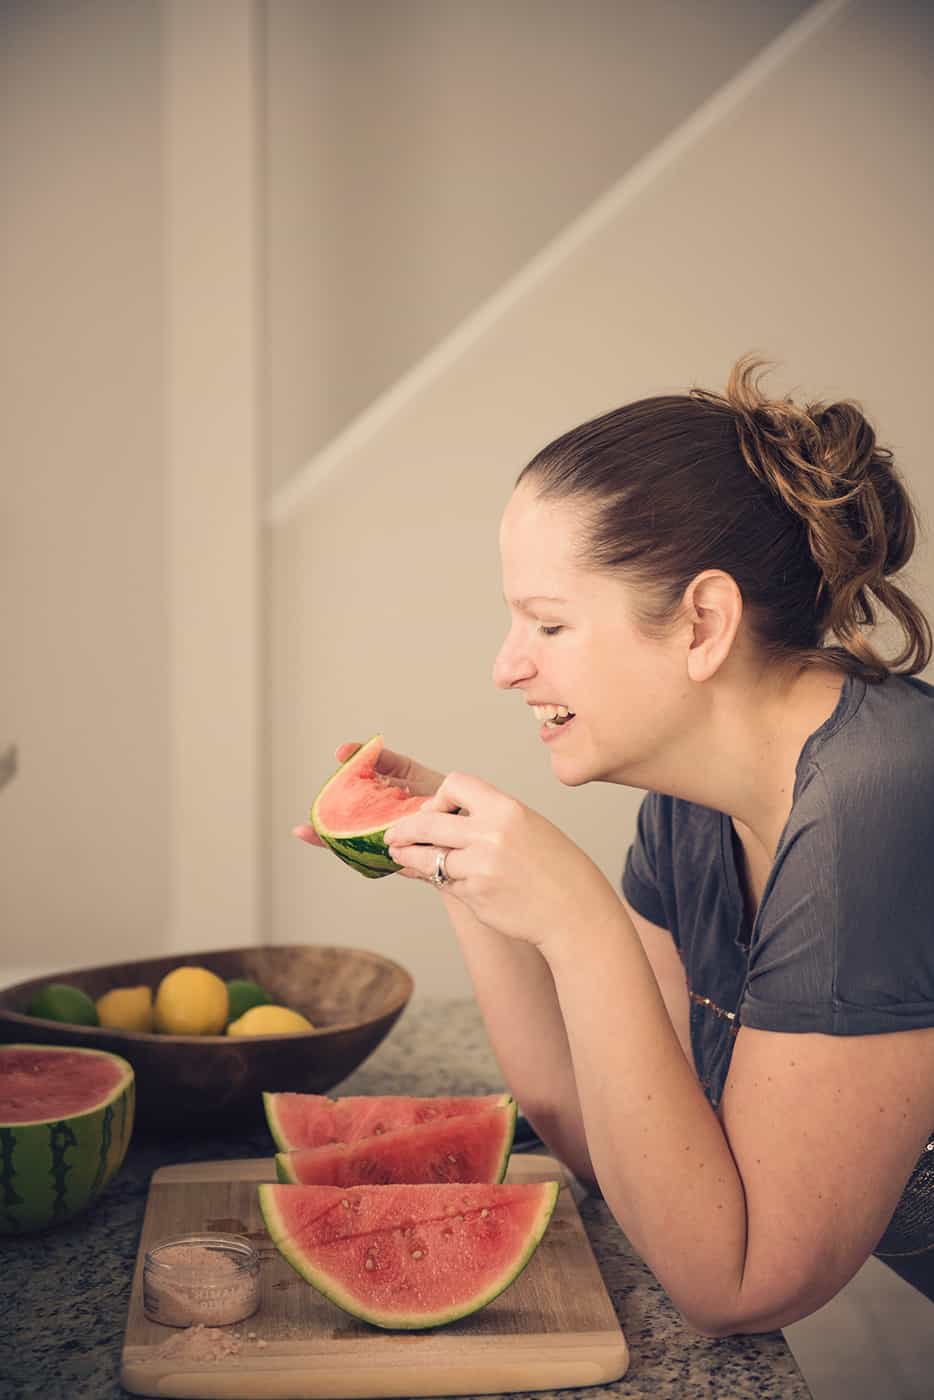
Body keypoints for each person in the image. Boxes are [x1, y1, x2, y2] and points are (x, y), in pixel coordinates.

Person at [295, 355, 934, 1335]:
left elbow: (739, 1281)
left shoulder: (878, 809)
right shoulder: (695, 800)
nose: (506, 666)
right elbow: (605, 1133)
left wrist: (580, 918)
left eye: (547, 621)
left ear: (702, 623)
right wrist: (453, 860)